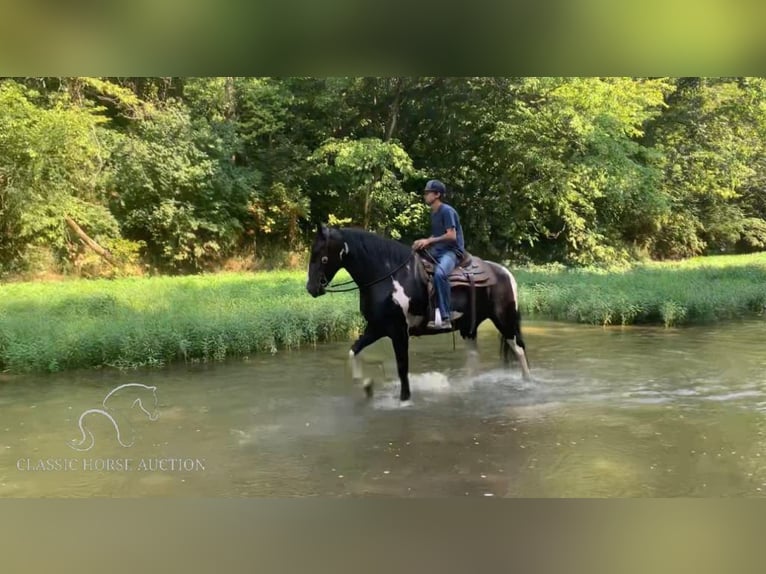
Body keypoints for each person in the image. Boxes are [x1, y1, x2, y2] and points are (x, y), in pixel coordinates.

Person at [412, 179, 465, 329]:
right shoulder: (434, 212)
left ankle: (446, 316)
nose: (425, 195)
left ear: (437, 195)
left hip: (451, 251)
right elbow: (437, 235)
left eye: (428, 193)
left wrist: (430, 241)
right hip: (438, 250)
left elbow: (451, 236)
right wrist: (423, 241)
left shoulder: (446, 211)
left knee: (440, 274)